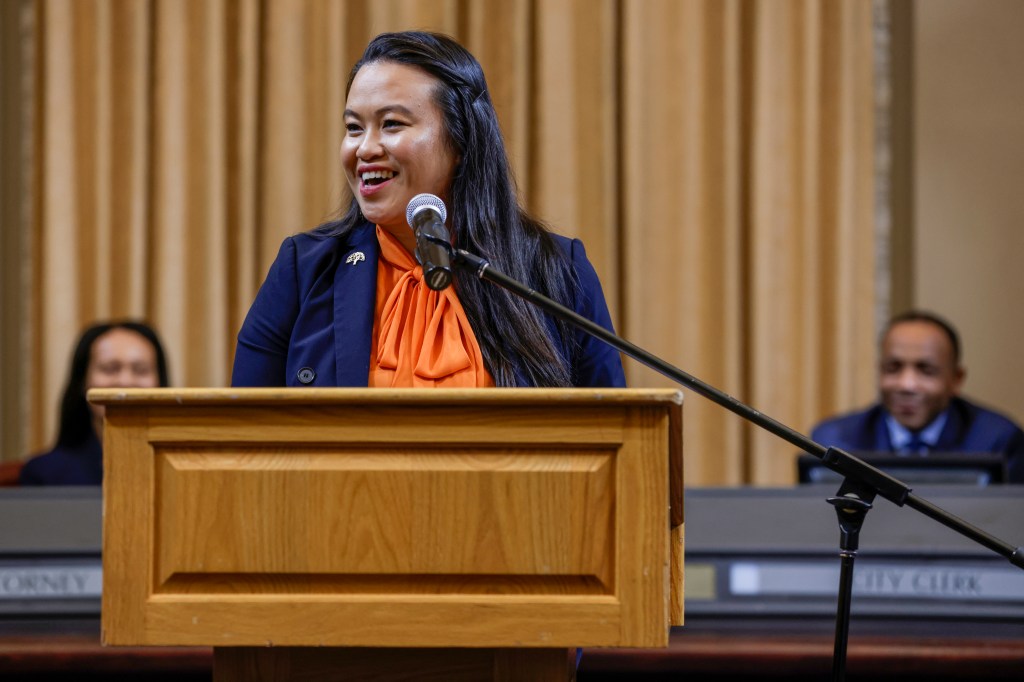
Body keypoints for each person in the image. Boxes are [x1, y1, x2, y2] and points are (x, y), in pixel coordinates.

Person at [232, 31, 625, 390]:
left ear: (461, 142)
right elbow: (244, 438)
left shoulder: (555, 270)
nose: (365, 148)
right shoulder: (304, 271)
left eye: (391, 124)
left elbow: (615, 441)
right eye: (354, 128)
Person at [810, 310, 1024, 482]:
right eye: (893, 368)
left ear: (956, 379)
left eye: (926, 370)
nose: (907, 385)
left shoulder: (997, 441)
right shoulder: (835, 441)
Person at [19, 320, 170, 486]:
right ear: (83, 381)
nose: (125, 381)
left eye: (141, 370)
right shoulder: (44, 473)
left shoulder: (182, 467)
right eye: (110, 368)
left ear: (159, 382)